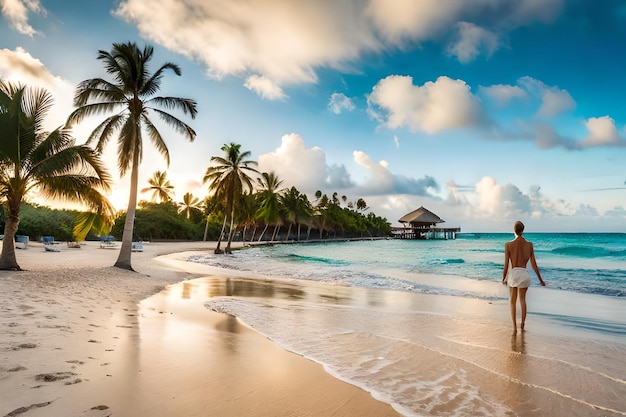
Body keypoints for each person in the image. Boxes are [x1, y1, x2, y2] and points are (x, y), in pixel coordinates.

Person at [502, 221, 545, 333]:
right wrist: (541, 280)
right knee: (522, 300)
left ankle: (514, 327)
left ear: (514, 230)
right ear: (523, 230)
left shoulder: (508, 245)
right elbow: (534, 264)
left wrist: (503, 278)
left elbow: (506, 264)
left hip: (514, 274)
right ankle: (522, 324)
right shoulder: (529, 245)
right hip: (524, 274)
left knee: (512, 301)